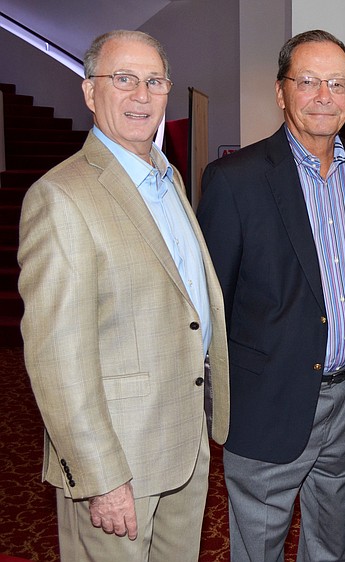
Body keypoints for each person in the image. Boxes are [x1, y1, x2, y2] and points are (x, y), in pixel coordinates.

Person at [18, 30, 229, 561]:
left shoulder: (169, 178)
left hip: (183, 441)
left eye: (154, 81)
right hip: (119, 459)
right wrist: (100, 476)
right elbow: (55, 357)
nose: (141, 95)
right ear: (90, 93)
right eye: (124, 79)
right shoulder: (61, 196)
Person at [196, 30, 345, 562]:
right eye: (307, 82)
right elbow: (212, 304)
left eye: (335, 84)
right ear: (281, 92)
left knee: (333, 545)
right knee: (257, 548)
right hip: (268, 401)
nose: (323, 95)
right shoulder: (233, 180)